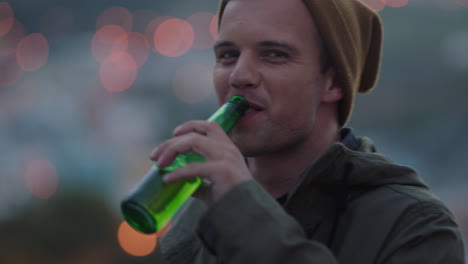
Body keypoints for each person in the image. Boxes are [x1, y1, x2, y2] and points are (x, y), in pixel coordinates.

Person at [150, 0, 466, 263]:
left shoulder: (414, 225)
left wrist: (244, 213)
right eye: (228, 55)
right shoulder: (198, 207)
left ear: (334, 83)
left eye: (274, 54)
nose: (240, 75)